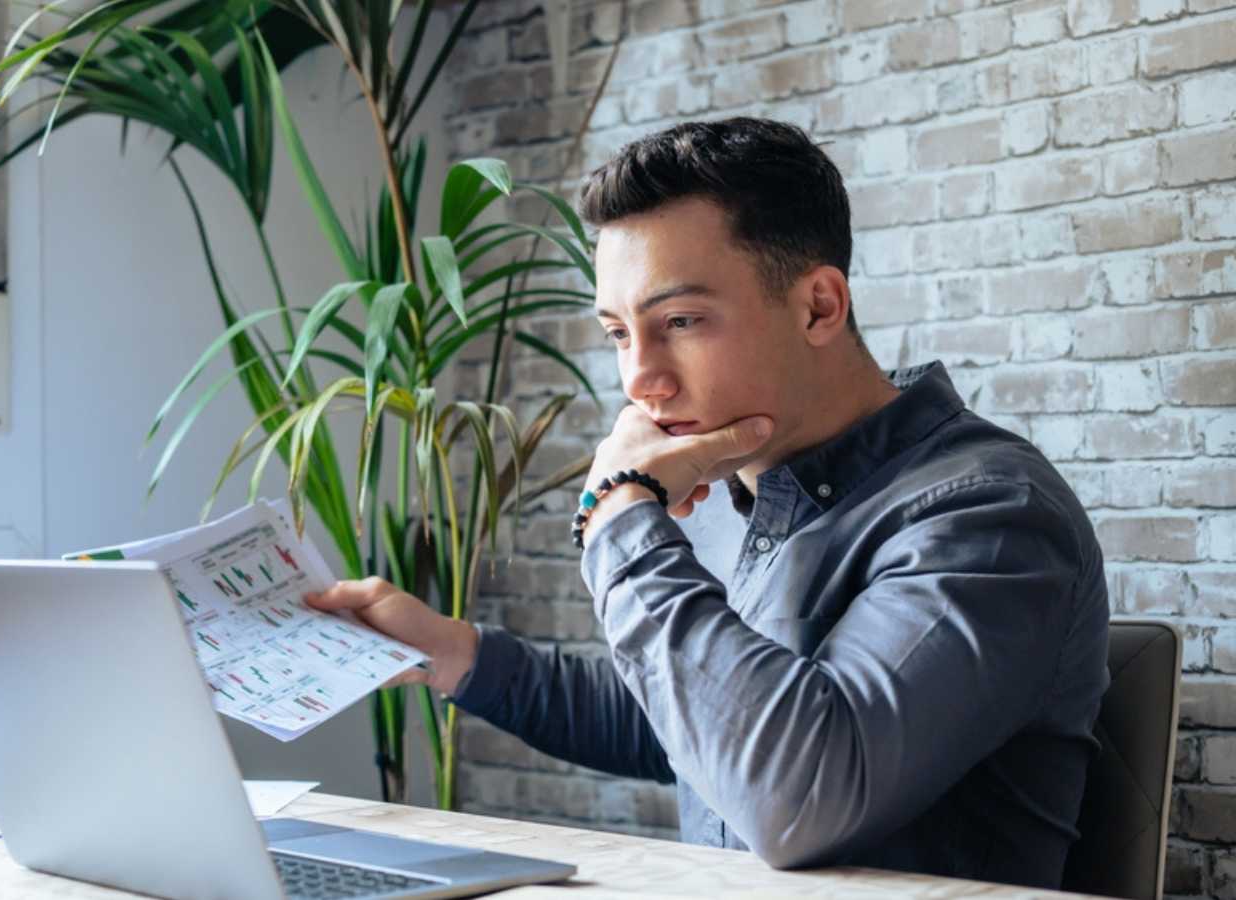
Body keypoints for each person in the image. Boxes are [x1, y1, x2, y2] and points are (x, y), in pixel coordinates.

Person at [306, 118, 1109, 889]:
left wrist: (622, 520)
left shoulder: (990, 516)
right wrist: (457, 654)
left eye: (681, 320)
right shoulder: (735, 487)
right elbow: (692, 728)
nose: (637, 380)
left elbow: (795, 793)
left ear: (819, 306)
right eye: (620, 333)